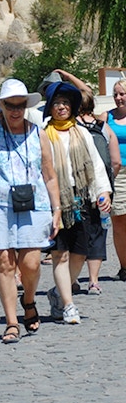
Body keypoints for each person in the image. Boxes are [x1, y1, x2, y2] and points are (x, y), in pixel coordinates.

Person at [0, 79, 61, 343]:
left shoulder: (38, 134)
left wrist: (57, 209)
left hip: (35, 203)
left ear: (26, 106)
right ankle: (12, 322)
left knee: (31, 262)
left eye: (20, 106)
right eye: (10, 105)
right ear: (2, 106)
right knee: (4, 263)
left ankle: (29, 300)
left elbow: (50, 174)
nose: (15, 111)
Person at [43, 82, 111, 324]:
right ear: (49, 108)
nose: (61, 107)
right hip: (56, 200)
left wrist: (102, 191)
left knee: (81, 252)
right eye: (56, 103)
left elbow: (94, 164)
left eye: (65, 103)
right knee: (60, 253)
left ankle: (57, 293)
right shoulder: (43, 134)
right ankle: (68, 304)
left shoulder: (81, 132)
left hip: (81, 198)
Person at [77, 88, 120, 294]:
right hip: (100, 188)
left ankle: (72, 279)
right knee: (97, 231)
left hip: (76, 187)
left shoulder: (71, 128)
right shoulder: (103, 127)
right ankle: (93, 280)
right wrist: (108, 183)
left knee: (75, 233)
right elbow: (115, 161)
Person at [99, 79, 126, 281]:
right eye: (115, 94)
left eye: (122, 94)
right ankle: (124, 266)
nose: (118, 98)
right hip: (117, 172)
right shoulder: (106, 117)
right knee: (119, 220)